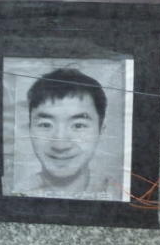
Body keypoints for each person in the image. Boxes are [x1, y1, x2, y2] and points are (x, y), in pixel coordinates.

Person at [18, 67, 117, 200]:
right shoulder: (15, 192)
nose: (60, 145)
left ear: (101, 131)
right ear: (30, 129)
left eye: (78, 125)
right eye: (46, 125)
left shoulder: (120, 194)